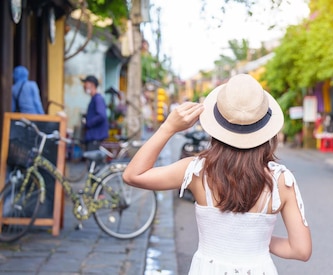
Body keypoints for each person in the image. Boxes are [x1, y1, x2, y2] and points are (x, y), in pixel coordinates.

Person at [123, 74, 312, 274]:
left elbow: (133, 175)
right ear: (266, 129)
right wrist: (258, 240)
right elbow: (301, 250)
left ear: (217, 125)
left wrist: (168, 128)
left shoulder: (196, 171)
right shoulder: (282, 180)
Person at [81, 75, 109, 151]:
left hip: (95, 137)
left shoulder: (98, 99)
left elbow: (101, 116)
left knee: (93, 161)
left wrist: (88, 123)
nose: (84, 86)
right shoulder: (94, 99)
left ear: (92, 85)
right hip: (93, 136)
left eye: (86, 84)